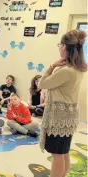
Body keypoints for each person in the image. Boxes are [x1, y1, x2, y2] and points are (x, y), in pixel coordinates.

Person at [38, 30, 87, 177]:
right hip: (68, 115)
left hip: (59, 117)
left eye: (60, 45)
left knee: (57, 155)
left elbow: (42, 83)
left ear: (65, 47)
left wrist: (52, 66)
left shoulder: (66, 71)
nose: (59, 48)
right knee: (63, 152)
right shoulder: (77, 69)